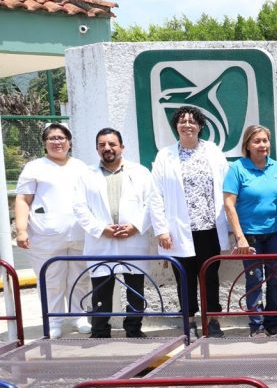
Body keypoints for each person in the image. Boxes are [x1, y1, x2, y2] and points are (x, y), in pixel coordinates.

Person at [151, 105, 230, 338]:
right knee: (184, 278)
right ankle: (190, 321)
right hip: (178, 229)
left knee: (210, 276)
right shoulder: (165, 156)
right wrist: (161, 230)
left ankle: (213, 320)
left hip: (209, 227)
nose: (187, 125)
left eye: (192, 121)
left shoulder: (213, 152)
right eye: (182, 121)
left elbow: (227, 188)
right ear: (176, 126)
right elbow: (155, 195)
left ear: (200, 126)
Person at [73, 129, 158, 338]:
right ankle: (100, 331)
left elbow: (151, 204)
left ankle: (134, 329)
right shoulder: (86, 176)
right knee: (101, 288)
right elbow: (79, 207)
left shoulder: (140, 173)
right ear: (97, 149)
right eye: (102, 145)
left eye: (112, 144)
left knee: (135, 288)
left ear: (122, 147)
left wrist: (136, 226)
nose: (107, 148)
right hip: (101, 241)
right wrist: (101, 229)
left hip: (133, 239)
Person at [14, 122, 91, 338]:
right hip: (44, 236)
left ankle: (80, 316)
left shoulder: (81, 167)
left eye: (61, 138)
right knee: (51, 279)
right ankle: (53, 320)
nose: (57, 142)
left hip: (79, 235)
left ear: (69, 142)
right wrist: (21, 230)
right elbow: (22, 199)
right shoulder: (34, 167)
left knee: (80, 276)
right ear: (44, 143)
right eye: (52, 138)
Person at [223, 124, 277, 337]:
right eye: (257, 141)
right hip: (249, 235)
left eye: (265, 141)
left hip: (275, 232)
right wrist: (240, 237)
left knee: (275, 279)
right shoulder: (237, 169)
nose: (262, 145)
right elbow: (229, 204)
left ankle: (272, 321)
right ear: (247, 145)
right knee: (254, 279)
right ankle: (256, 325)